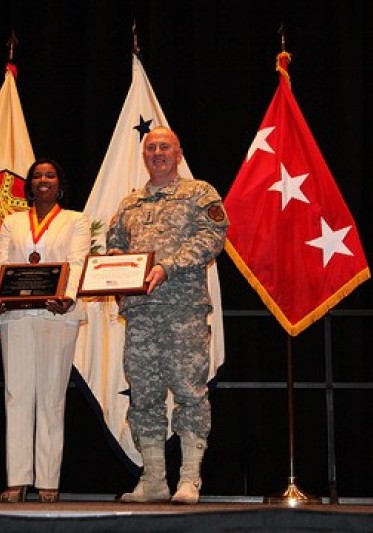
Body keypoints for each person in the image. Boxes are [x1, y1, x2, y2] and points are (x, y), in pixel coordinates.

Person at [106, 126, 228, 504]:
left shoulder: (199, 193)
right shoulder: (129, 203)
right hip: (140, 313)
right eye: (151, 147)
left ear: (178, 153)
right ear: (145, 155)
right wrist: (113, 266)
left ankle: (190, 478)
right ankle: (155, 479)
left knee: (190, 393)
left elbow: (213, 236)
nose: (157, 152)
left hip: (183, 310)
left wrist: (168, 267)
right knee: (144, 395)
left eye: (165, 147)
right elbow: (114, 244)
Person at [0, 158, 90, 503]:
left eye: (50, 175)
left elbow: (77, 263)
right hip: (15, 316)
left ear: (59, 184)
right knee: (16, 395)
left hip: (58, 316)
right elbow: (1, 263)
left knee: (51, 397)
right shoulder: (12, 222)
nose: (42, 180)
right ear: (29, 186)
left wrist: (67, 297)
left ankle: (48, 481)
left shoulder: (77, 220)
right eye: (37, 176)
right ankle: (16, 480)